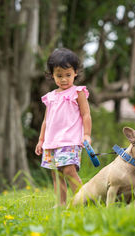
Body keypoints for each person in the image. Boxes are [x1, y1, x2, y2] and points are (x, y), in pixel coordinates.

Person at [35, 48, 92, 206]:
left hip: (70, 140)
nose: (64, 79)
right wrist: (41, 140)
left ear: (75, 73)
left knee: (68, 170)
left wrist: (87, 135)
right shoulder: (51, 96)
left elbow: (86, 115)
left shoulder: (78, 92)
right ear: (52, 75)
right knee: (57, 174)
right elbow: (46, 120)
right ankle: (61, 203)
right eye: (59, 75)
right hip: (52, 142)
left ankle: (84, 201)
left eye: (68, 75)